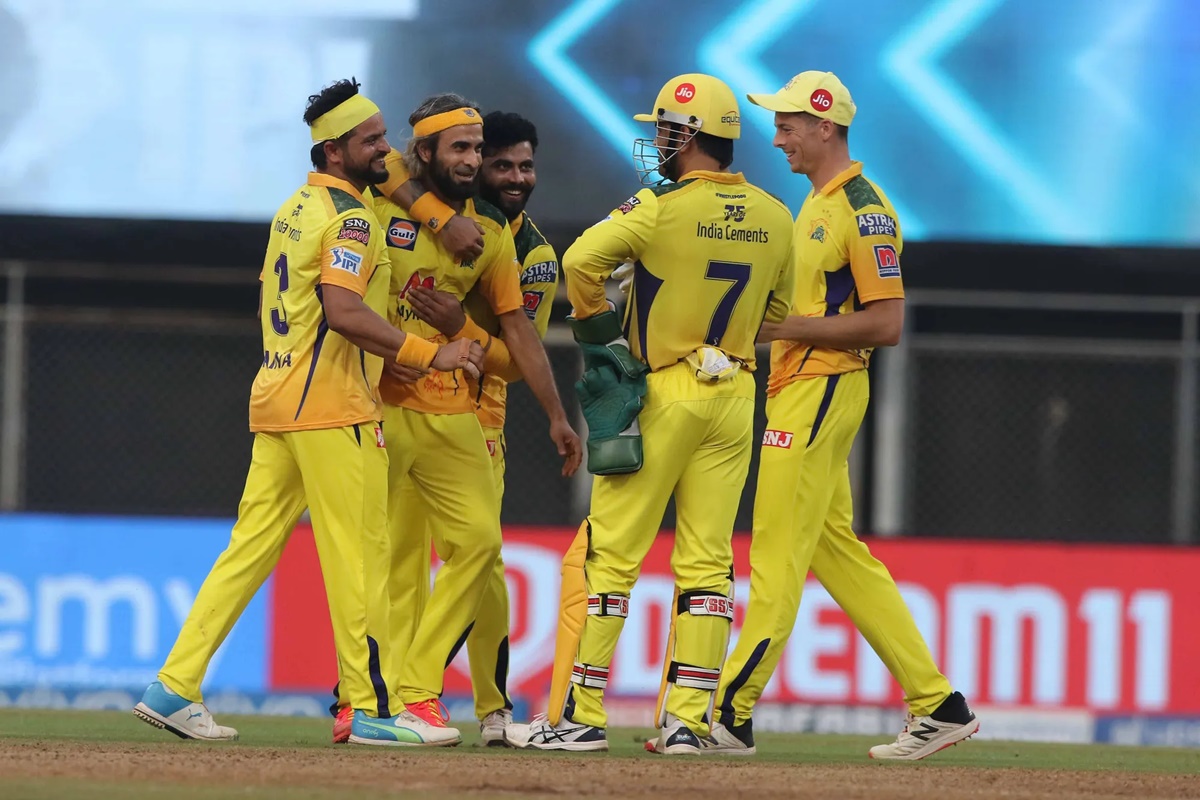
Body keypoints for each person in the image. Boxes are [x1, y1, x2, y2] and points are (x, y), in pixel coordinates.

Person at [132, 78, 483, 746]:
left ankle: (174, 685)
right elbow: (344, 312)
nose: (386, 151)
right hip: (331, 408)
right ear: (334, 150)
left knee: (249, 551)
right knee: (361, 558)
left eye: (383, 135)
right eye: (371, 141)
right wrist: (427, 356)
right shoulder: (351, 218)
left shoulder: (296, 207)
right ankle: (373, 708)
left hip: (276, 398)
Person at [509, 74, 795, 754]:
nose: (660, 141)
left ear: (691, 137)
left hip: (662, 388)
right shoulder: (777, 215)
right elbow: (777, 317)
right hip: (735, 394)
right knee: (708, 563)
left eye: (668, 130)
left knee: (612, 556)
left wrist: (600, 331)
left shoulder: (659, 205)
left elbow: (581, 262)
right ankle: (688, 723)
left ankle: (580, 717)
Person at [706, 71, 979, 761]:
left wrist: (777, 330)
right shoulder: (819, 202)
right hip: (803, 387)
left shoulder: (864, 208)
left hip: (821, 389)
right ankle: (938, 703)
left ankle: (728, 715)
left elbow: (886, 323)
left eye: (788, 124)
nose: (777, 137)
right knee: (835, 552)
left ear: (824, 124)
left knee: (775, 555)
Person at [366, 93, 581, 747]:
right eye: (502, 164)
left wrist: (459, 332)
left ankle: (490, 709)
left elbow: (516, 354)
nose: (517, 178)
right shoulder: (410, 204)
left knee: (482, 562)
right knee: (399, 564)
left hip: (476, 413)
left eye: (527, 167)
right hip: (391, 404)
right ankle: (383, 703)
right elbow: (380, 168)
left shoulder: (529, 252)